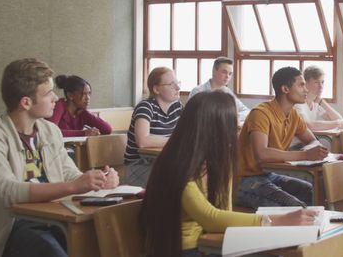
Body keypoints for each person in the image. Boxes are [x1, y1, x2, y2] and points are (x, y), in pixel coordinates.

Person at [141, 91, 317, 257]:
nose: (236, 131)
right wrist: (277, 220)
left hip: (212, 244)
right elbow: (210, 217)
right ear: (214, 129)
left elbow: (223, 210)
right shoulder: (177, 164)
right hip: (185, 250)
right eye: (232, 125)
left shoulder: (218, 160)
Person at [0, 58, 119, 257]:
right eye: (49, 93)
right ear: (26, 102)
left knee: (107, 237)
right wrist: (74, 187)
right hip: (14, 228)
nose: (56, 99)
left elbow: (70, 175)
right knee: (49, 248)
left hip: (57, 219)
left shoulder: (50, 131)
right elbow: (4, 191)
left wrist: (98, 181)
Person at [236, 67, 329, 209]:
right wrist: (305, 154)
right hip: (245, 179)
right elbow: (262, 154)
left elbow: (312, 141)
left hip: (269, 175)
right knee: (295, 206)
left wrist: (313, 150)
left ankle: (313, 230)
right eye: (301, 85)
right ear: (285, 89)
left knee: (313, 192)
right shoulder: (261, 113)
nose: (306, 90)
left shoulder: (293, 114)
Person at [124, 67, 183, 187]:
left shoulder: (177, 107)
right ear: (156, 89)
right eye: (171, 84)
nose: (178, 88)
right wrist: (176, 140)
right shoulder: (145, 107)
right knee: (180, 179)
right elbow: (143, 141)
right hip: (139, 166)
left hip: (164, 162)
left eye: (177, 83)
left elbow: (189, 134)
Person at [47, 74, 112, 137]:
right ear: (70, 95)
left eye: (89, 93)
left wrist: (86, 113)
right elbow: (51, 132)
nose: (88, 98)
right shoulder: (59, 105)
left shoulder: (82, 112)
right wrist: (83, 133)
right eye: (84, 94)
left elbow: (107, 129)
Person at [189, 57, 249, 121]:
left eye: (230, 73)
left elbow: (246, 111)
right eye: (224, 72)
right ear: (214, 71)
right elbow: (194, 117)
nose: (227, 76)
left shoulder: (228, 92)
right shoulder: (198, 91)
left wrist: (235, 117)